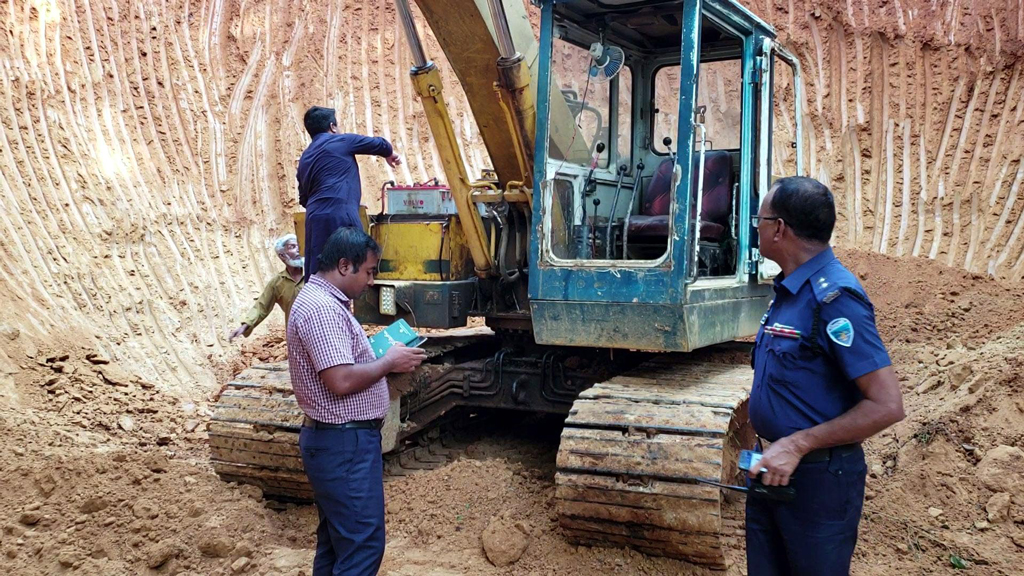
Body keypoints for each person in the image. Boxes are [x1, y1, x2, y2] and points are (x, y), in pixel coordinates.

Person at [746, 176, 905, 576]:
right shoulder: (790, 292)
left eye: (759, 219)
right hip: (773, 472)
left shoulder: (834, 298)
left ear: (779, 228)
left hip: (817, 483)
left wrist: (797, 445)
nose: (757, 227)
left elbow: (887, 405)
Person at [287, 227, 427, 575]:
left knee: (337, 544)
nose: (371, 280)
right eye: (369, 271)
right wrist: (388, 362)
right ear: (345, 265)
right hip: (343, 444)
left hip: (338, 442)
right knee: (363, 545)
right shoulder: (322, 310)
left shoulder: (323, 302)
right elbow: (340, 379)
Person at [297, 106, 402, 280]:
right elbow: (379, 144)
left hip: (314, 219)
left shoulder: (305, 157)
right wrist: (390, 153)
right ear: (332, 127)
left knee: (319, 273)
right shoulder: (340, 141)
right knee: (353, 270)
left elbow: (303, 198)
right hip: (341, 214)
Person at [228, 234, 305, 342]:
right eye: (292, 247)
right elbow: (261, 306)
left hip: (320, 330)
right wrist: (245, 325)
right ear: (282, 256)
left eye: (299, 246)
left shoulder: (314, 273)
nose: (298, 250)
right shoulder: (277, 283)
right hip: (296, 335)